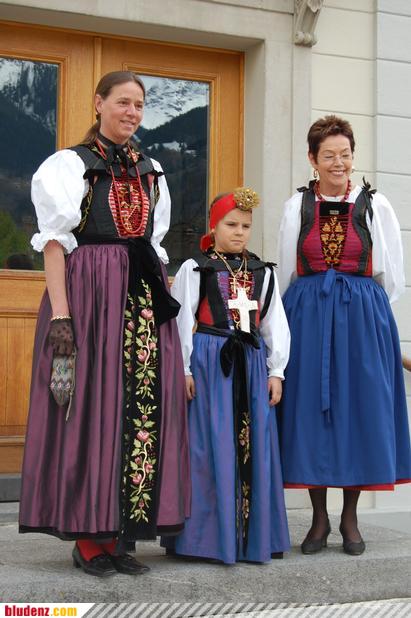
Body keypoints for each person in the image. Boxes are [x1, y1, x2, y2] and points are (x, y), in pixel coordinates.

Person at [19, 71, 190, 576]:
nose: (132, 112)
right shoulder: (71, 164)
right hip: (90, 299)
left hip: (141, 303)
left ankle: (118, 535)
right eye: (123, 102)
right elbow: (55, 243)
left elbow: (154, 246)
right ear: (99, 103)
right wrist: (62, 315)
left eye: (139, 105)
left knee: (136, 411)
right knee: (91, 407)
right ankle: (87, 538)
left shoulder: (151, 169)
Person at [277, 115, 411, 556]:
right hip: (308, 315)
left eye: (346, 154)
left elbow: (391, 274)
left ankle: (349, 518)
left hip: (362, 316)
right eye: (329, 155)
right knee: (310, 411)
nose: (339, 163)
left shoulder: (375, 204)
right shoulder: (296, 206)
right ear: (313, 159)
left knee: (359, 409)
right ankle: (318, 519)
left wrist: (369, 316)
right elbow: (287, 271)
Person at [162, 188, 291, 564]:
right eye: (231, 224)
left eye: (245, 226)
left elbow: (274, 323)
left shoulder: (263, 272)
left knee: (255, 446)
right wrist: (184, 368)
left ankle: (254, 538)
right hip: (210, 361)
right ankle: (205, 540)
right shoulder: (197, 269)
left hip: (251, 363)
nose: (239, 232)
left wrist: (276, 371)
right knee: (209, 444)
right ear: (214, 226)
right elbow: (181, 321)